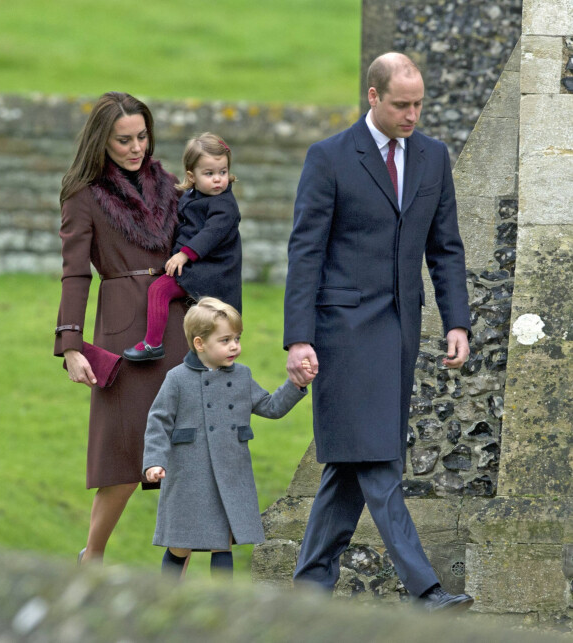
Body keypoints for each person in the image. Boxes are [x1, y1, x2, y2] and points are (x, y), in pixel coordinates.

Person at [284, 52, 474, 611]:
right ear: (373, 96)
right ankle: (426, 589)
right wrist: (299, 338)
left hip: (400, 333)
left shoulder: (434, 158)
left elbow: (446, 249)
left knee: (349, 459)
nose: (412, 114)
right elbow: (305, 254)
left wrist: (457, 320)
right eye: (401, 105)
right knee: (377, 458)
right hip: (340, 331)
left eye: (418, 104)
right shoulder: (329, 158)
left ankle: (309, 585)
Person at [54, 91, 189, 564]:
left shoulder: (170, 185)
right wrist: (72, 345)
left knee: (185, 453)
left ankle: (175, 576)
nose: (136, 148)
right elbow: (74, 272)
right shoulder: (83, 194)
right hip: (123, 332)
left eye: (142, 136)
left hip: (178, 322)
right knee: (121, 462)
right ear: (102, 142)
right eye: (124, 140)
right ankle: (92, 558)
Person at [143, 297, 308, 578]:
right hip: (188, 472)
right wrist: (154, 462)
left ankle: (224, 604)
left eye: (237, 338)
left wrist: (297, 383)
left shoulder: (242, 376)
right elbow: (158, 421)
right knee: (180, 545)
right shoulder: (177, 378)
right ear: (199, 343)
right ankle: (165, 597)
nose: (235, 346)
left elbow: (270, 407)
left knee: (224, 543)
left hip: (231, 471)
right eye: (226, 340)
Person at [123, 133, 242, 362]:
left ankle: (152, 344)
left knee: (160, 291)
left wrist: (184, 255)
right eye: (209, 173)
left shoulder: (225, 206)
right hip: (197, 265)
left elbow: (211, 234)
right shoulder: (191, 195)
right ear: (192, 176)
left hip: (211, 271)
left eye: (223, 172)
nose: (218, 179)